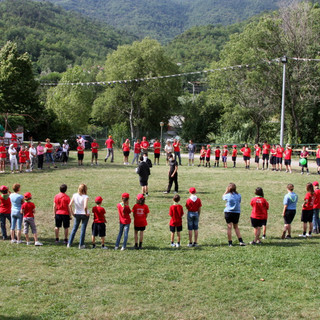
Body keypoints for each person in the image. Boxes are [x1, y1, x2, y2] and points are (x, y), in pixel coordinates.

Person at [67, 184, 90, 249]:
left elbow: (70, 205)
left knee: (74, 228)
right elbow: (85, 206)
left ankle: (69, 243)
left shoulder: (74, 195)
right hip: (84, 214)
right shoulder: (85, 197)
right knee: (83, 229)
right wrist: (86, 213)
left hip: (77, 213)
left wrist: (72, 213)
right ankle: (81, 244)